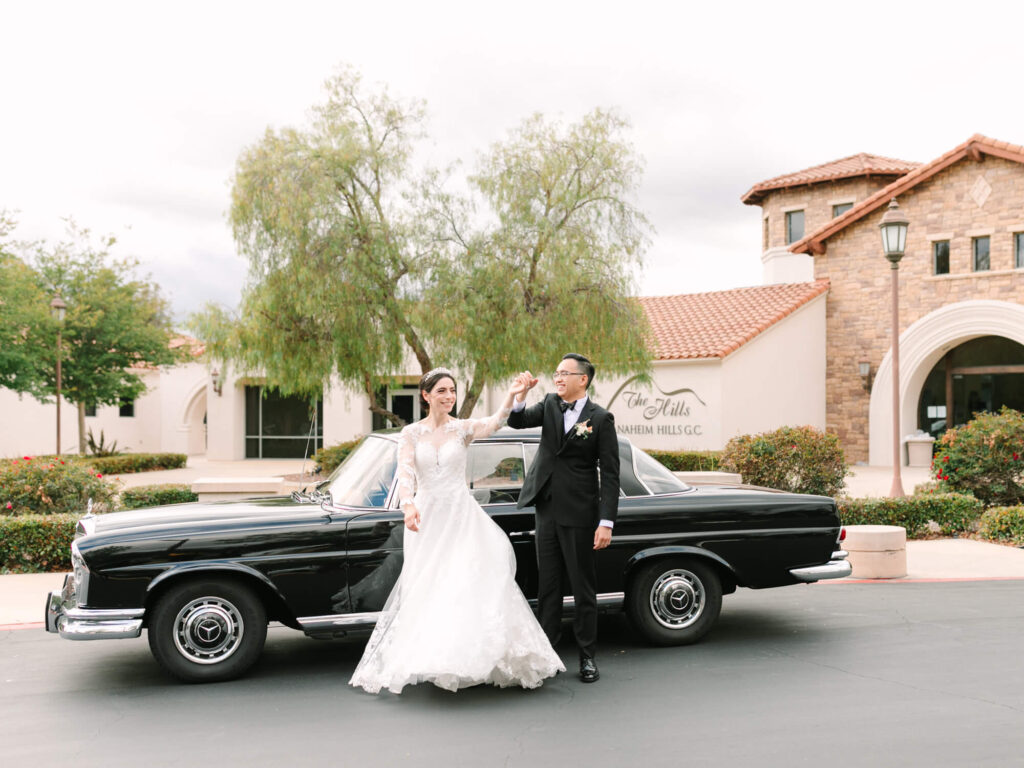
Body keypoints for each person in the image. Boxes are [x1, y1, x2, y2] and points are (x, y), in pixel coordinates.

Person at [349, 368, 565, 694]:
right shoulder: (409, 434)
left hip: (462, 517)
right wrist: (407, 505)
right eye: (442, 392)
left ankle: (474, 657)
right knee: (431, 584)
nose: (449, 397)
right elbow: (405, 474)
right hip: (426, 519)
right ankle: (438, 658)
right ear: (426, 396)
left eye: (452, 391)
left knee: (465, 581)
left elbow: (495, 422)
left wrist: (513, 393)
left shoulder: (462, 429)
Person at [507, 353, 619, 683]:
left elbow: (610, 475)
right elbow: (517, 421)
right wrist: (520, 395)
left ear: (582, 379)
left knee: (583, 588)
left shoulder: (601, 419)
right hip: (547, 510)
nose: (558, 378)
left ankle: (587, 658)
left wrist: (606, 521)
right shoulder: (549, 405)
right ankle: (547, 656)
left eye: (564, 373)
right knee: (549, 587)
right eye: (556, 373)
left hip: (581, 513)